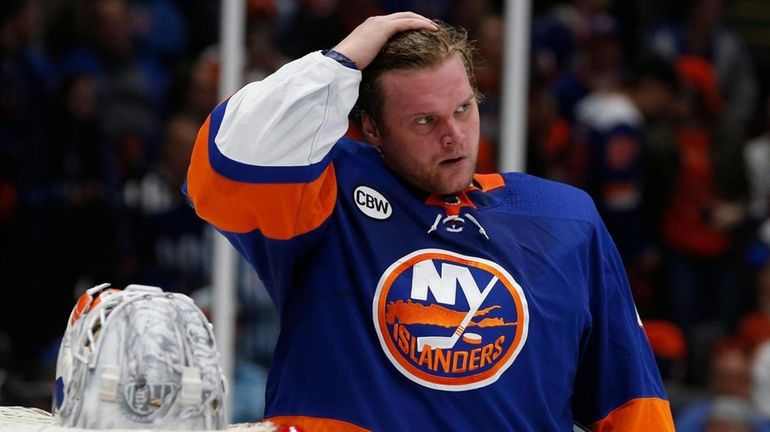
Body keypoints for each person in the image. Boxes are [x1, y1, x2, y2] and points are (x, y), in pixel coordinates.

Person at [185, 12, 674, 431]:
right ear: (372, 128)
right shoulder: (325, 194)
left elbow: (632, 402)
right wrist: (343, 59)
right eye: (425, 121)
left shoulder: (565, 217)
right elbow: (227, 161)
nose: (454, 136)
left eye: (463, 108)